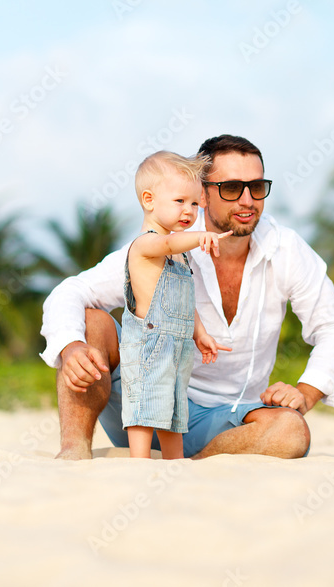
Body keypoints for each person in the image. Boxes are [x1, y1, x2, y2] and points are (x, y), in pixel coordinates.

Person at [39, 135, 334, 460]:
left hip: (231, 420)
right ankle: (74, 451)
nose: (248, 200)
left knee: (292, 432)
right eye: (232, 188)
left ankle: (194, 464)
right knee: (91, 322)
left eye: (257, 187)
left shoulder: (287, 249)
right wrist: (70, 346)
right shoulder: (163, 244)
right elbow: (70, 291)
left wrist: (306, 392)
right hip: (142, 398)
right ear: (202, 193)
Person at [119, 151, 231, 459]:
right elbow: (167, 244)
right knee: (144, 401)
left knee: (173, 406)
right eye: (180, 201)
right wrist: (201, 236)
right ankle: (139, 460)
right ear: (148, 200)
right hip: (149, 343)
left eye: (195, 203)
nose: (190, 210)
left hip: (178, 344)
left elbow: (182, 299)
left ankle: (174, 460)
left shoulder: (180, 254)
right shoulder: (148, 244)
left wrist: (200, 332)